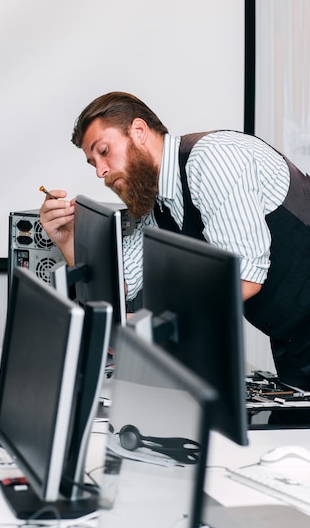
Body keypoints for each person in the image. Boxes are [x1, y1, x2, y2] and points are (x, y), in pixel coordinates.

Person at [39, 91, 310, 408]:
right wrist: (67, 239)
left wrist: (157, 328)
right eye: (93, 163)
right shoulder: (160, 202)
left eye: (104, 151)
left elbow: (245, 277)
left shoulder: (214, 159)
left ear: (138, 132)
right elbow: (119, 283)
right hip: (293, 339)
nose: (100, 171)